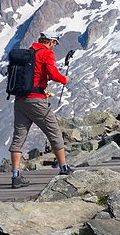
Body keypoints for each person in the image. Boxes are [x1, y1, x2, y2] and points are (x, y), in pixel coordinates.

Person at [9, 34, 73, 188]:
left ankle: (16, 176)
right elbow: (53, 74)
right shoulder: (46, 53)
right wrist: (65, 79)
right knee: (54, 132)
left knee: (18, 138)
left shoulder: (28, 53)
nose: (54, 47)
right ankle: (64, 168)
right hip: (37, 100)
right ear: (51, 42)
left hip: (20, 100)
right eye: (55, 44)